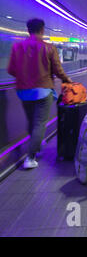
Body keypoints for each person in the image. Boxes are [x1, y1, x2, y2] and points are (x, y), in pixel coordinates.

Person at [7, 18, 72, 169]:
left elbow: (11, 69)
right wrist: (67, 79)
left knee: (32, 121)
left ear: (28, 29)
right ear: (42, 30)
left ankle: (36, 146)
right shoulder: (49, 48)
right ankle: (30, 157)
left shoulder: (17, 47)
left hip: (23, 91)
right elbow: (57, 69)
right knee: (39, 123)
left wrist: (24, 75)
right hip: (43, 90)